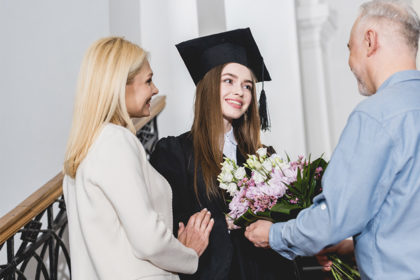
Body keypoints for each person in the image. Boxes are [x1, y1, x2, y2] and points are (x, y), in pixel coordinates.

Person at [244, 0, 420, 279]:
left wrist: (275, 234)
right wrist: (360, 246)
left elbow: (333, 218)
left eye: (350, 48)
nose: (350, 62)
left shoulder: (375, 116)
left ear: (370, 41)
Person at [63, 37, 214, 280]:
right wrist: (188, 254)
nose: (155, 89)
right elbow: (149, 240)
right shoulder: (115, 141)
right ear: (119, 85)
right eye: (148, 80)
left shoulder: (83, 151)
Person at [150, 28, 296, 280]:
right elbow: (170, 224)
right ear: (208, 86)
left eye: (247, 85)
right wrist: (225, 221)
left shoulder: (263, 158)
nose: (240, 91)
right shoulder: (174, 153)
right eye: (228, 81)